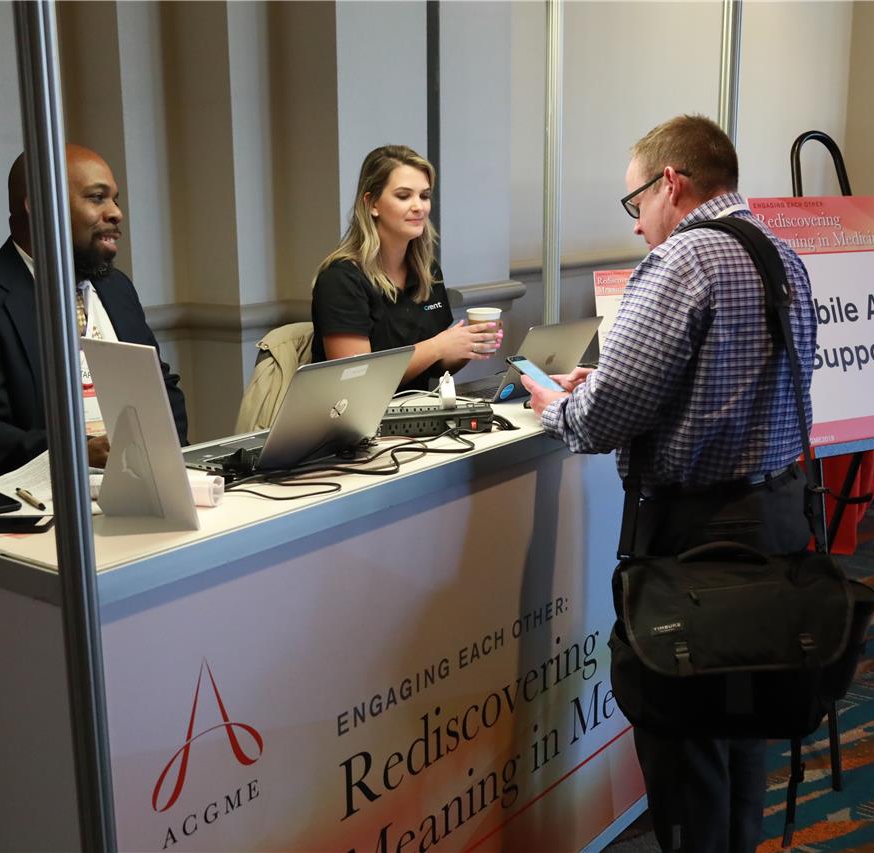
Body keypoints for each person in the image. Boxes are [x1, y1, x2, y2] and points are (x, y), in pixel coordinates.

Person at [520, 115, 817, 853]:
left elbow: (600, 422)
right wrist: (607, 383)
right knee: (743, 726)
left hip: (696, 546)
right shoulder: (782, 254)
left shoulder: (681, 262)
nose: (636, 223)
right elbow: (728, 387)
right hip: (775, 523)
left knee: (685, 747)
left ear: (671, 183)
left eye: (636, 202)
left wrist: (556, 404)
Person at [0, 145, 188, 488]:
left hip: (146, 485)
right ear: (42, 205)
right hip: (43, 500)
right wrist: (77, 454)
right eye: (97, 198)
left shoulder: (117, 288)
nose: (116, 213)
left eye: (114, 200)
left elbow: (162, 390)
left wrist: (169, 462)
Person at [310, 145, 501, 393]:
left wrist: (468, 345)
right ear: (372, 203)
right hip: (357, 414)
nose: (419, 206)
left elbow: (436, 365)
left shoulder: (427, 271)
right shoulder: (340, 279)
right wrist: (438, 346)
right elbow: (356, 382)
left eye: (424, 196)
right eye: (403, 196)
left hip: (418, 408)